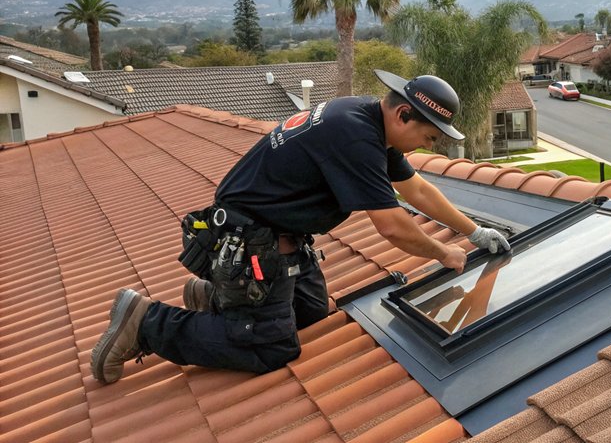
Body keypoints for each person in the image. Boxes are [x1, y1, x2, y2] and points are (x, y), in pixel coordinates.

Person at [90, 69, 511, 384]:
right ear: (404, 114)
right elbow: (393, 228)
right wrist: (443, 252)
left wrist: (473, 233)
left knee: (309, 312)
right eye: (430, 136)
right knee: (273, 346)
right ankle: (144, 321)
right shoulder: (356, 137)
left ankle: (220, 300)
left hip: (277, 234)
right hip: (251, 239)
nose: (429, 145)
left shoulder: (368, 119)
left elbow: (416, 190)